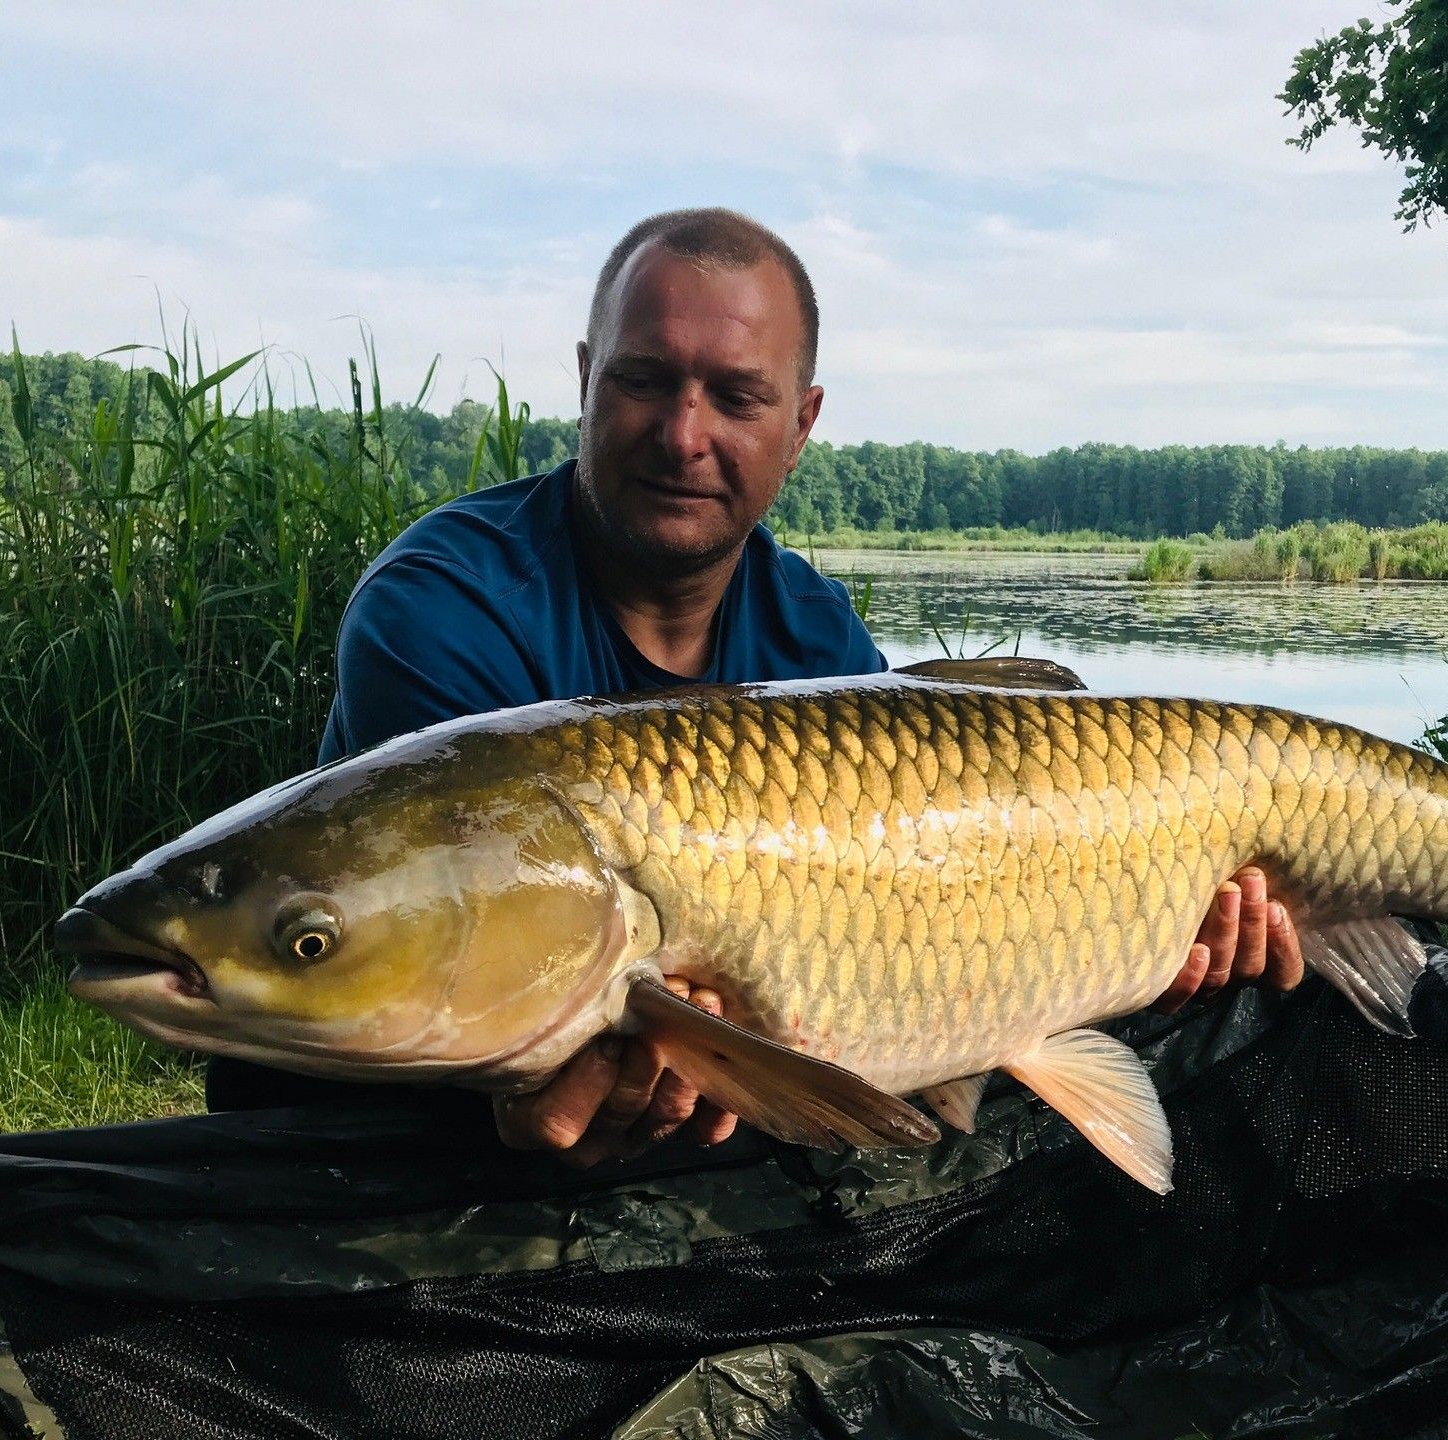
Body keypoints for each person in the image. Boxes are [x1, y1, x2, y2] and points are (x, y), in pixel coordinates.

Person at [205, 207, 1304, 1166]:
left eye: (736, 396)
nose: (684, 436)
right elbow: (447, 977)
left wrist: (1131, 941)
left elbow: (910, 920)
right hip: (386, 1122)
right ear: (587, 380)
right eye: (644, 381)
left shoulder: (816, 630)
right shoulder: (443, 605)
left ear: (801, 426)